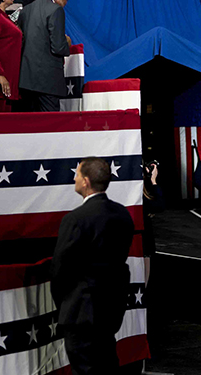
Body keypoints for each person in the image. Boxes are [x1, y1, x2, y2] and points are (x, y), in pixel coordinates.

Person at [51, 157, 134, 375]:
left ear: (86, 182)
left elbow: (60, 271)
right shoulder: (122, 214)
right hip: (111, 310)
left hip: (81, 313)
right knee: (107, 366)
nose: (74, 178)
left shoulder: (76, 219)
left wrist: (65, 307)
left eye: (77, 174)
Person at [17, 0, 73, 112]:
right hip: (48, 81)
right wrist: (67, 43)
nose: (65, 3)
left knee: (31, 123)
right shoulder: (56, 10)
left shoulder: (26, 10)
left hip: (26, 78)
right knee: (50, 124)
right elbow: (58, 47)